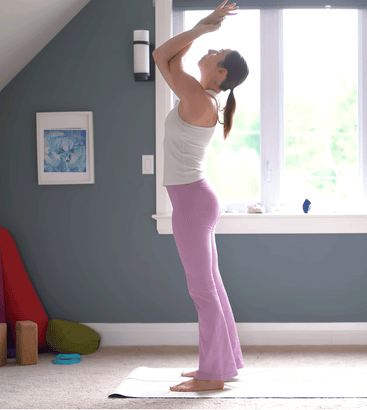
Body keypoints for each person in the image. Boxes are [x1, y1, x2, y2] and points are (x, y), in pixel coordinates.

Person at [152, 0, 249, 393]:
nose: (208, 52)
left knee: (203, 290)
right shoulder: (204, 96)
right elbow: (169, 59)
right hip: (197, 200)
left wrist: (203, 29)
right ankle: (224, 363)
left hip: (192, 204)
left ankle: (212, 376)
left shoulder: (198, 96)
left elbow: (162, 55)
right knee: (211, 286)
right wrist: (203, 28)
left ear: (221, 71)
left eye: (216, 53)